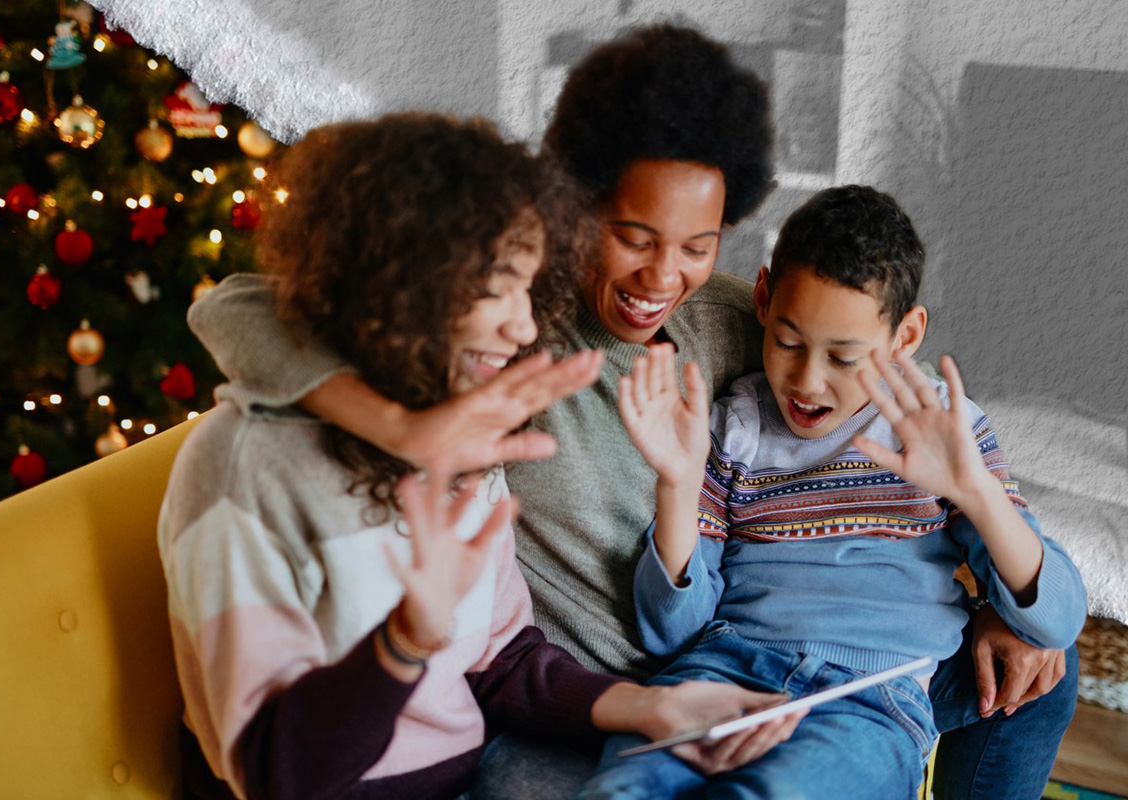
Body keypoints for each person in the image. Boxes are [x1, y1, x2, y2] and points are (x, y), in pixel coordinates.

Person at [187, 24, 1079, 799]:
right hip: (582, 694)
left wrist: (1004, 582)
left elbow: (850, 349)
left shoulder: (735, 319)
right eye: (634, 237)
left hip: (750, 661)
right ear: (572, 206)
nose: (664, 278)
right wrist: (404, 430)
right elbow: (236, 307)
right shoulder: (500, 325)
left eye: (698, 245)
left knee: (1046, 665)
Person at [159, 113, 802, 800]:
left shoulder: (462, 432)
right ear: (397, 282)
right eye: (497, 288)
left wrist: (655, 710)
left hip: (476, 773)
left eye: (528, 291)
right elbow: (276, 776)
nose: (524, 327)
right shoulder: (243, 470)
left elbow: (500, 660)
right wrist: (404, 642)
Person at [575, 185, 1087, 799]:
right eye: (788, 343)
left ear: (905, 336)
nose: (807, 382)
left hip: (866, 700)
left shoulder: (943, 426)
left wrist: (976, 493)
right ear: (762, 298)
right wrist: (679, 489)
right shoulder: (732, 429)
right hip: (725, 673)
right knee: (621, 787)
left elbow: (1057, 618)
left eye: (844, 358)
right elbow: (672, 634)